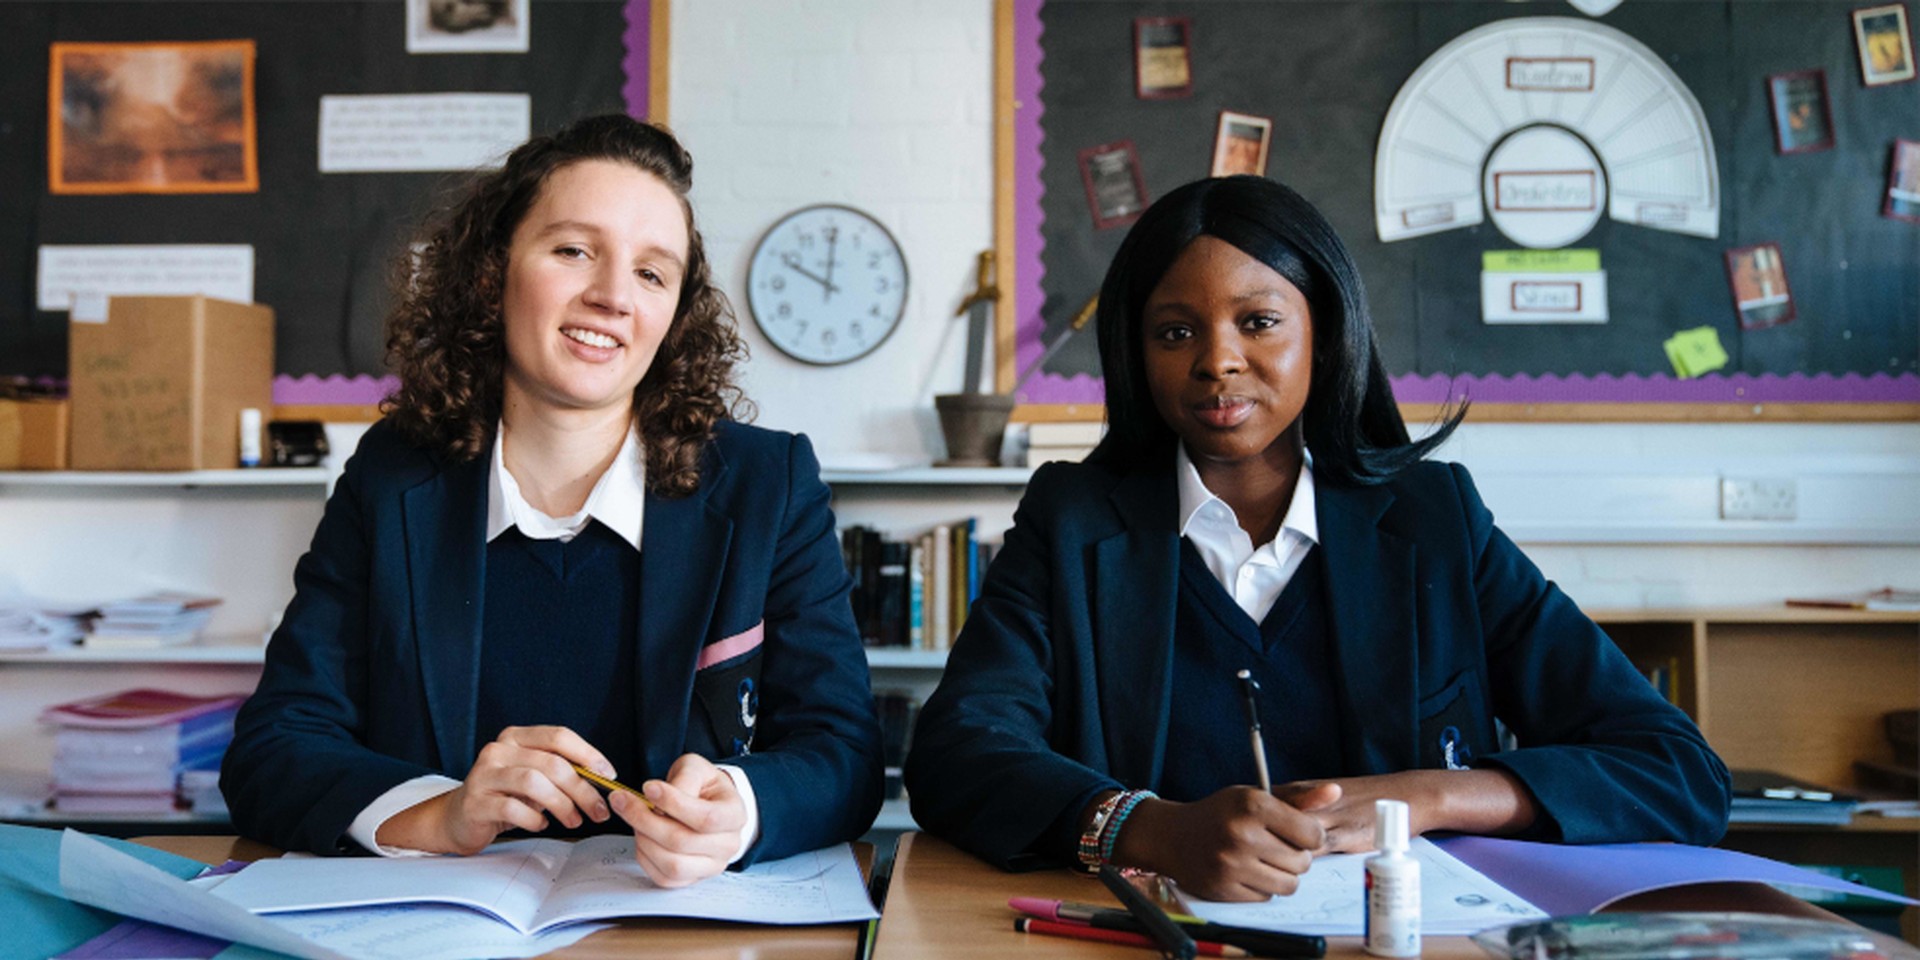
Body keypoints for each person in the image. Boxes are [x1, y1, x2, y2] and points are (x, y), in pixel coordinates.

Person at [902, 175, 1730, 901]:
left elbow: (1675, 770)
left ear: (1324, 336)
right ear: (1137, 354)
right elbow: (955, 757)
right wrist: (1150, 830)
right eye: (1175, 332)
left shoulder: (1435, 520)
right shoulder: (1073, 518)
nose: (1218, 361)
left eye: (1258, 321)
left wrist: (1428, 797)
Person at [222, 114, 885, 884]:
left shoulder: (769, 484)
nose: (611, 296)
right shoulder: (393, 475)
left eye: (651, 273)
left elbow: (844, 752)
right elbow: (274, 748)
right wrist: (441, 814)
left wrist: (738, 810)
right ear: (490, 272)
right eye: (574, 251)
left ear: (672, 316)